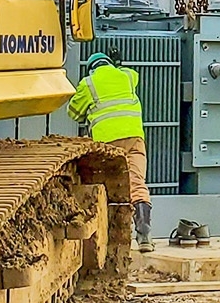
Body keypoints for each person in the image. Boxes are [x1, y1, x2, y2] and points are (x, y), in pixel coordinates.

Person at [66, 50, 154, 251]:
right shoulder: (127, 76)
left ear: (91, 68)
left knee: (106, 187)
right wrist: (118, 65)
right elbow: (133, 74)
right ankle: (144, 236)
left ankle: (107, 240)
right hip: (134, 138)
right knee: (137, 183)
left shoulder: (88, 83)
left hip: (107, 143)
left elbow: (73, 112)